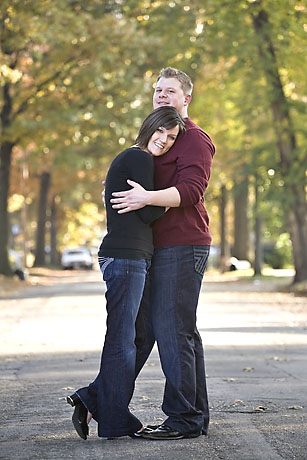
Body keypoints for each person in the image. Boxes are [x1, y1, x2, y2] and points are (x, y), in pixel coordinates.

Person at [66, 106, 185, 440]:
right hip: (125, 257)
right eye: (160, 131)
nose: (163, 140)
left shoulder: (139, 161)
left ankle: (91, 397)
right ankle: (114, 420)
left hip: (136, 258)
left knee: (141, 335)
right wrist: (169, 198)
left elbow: (143, 205)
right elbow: (145, 214)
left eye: (171, 137)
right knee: (123, 338)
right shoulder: (138, 159)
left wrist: (149, 198)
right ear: (148, 127)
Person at [110, 67, 215, 440]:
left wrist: (146, 198)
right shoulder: (160, 138)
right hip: (158, 248)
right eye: (157, 90)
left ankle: (182, 420)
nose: (161, 95)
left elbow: (191, 192)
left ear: (187, 98)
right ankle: (193, 417)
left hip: (184, 245)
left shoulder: (194, 139)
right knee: (179, 333)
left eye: (170, 91)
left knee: (173, 332)